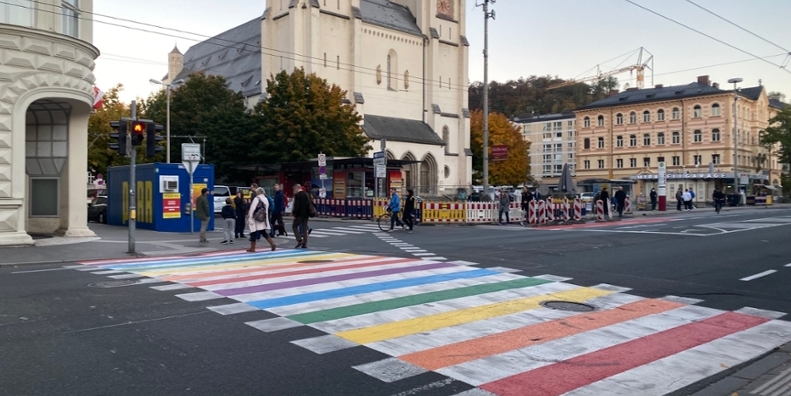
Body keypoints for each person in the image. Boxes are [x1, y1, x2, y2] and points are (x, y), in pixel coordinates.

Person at [246, 187, 276, 252]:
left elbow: (252, 209)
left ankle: (252, 248)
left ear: (258, 192)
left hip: (255, 218)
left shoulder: (256, 199)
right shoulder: (265, 199)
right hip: (263, 218)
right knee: (263, 232)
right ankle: (272, 243)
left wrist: (250, 217)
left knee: (253, 232)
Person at [292, 184, 312, 248]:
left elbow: (297, 206)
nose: (294, 190)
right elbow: (309, 203)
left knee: (294, 226)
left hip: (300, 214)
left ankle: (299, 240)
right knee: (304, 228)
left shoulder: (297, 195)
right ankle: (305, 243)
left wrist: (295, 214)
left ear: (298, 188)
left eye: (294, 189)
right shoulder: (306, 194)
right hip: (306, 214)